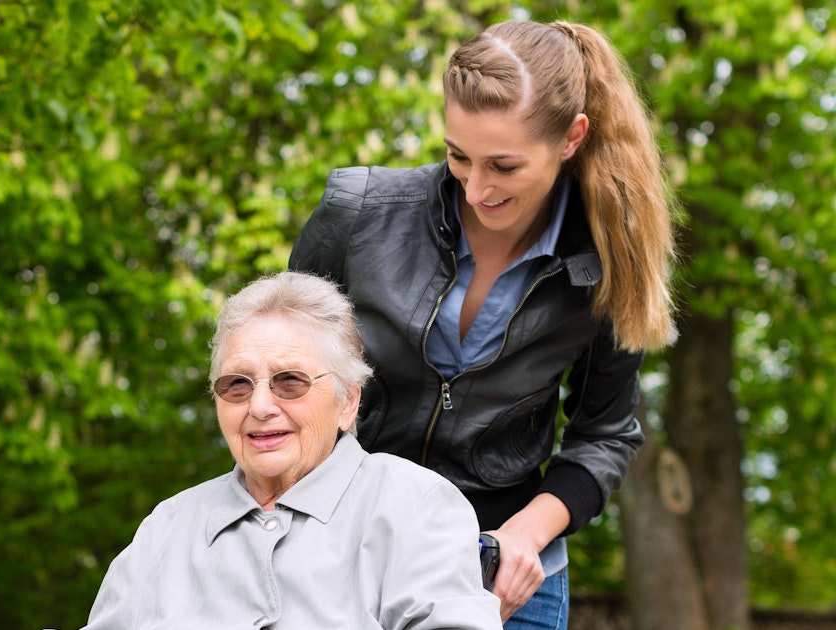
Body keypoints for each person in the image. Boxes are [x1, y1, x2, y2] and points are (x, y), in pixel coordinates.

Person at [288, 19, 677, 630]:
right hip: (346, 548)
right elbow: (285, 380)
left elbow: (603, 435)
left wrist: (527, 531)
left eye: (504, 165)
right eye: (458, 156)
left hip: (506, 572)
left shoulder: (608, 264)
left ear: (572, 138)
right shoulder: (357, 215)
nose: (476, 189)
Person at [84, 271, 502, 630]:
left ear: (347, 401)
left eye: (290, 382)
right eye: (237, 385)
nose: (260, 407)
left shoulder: (414, 505)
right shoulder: (169, 526)